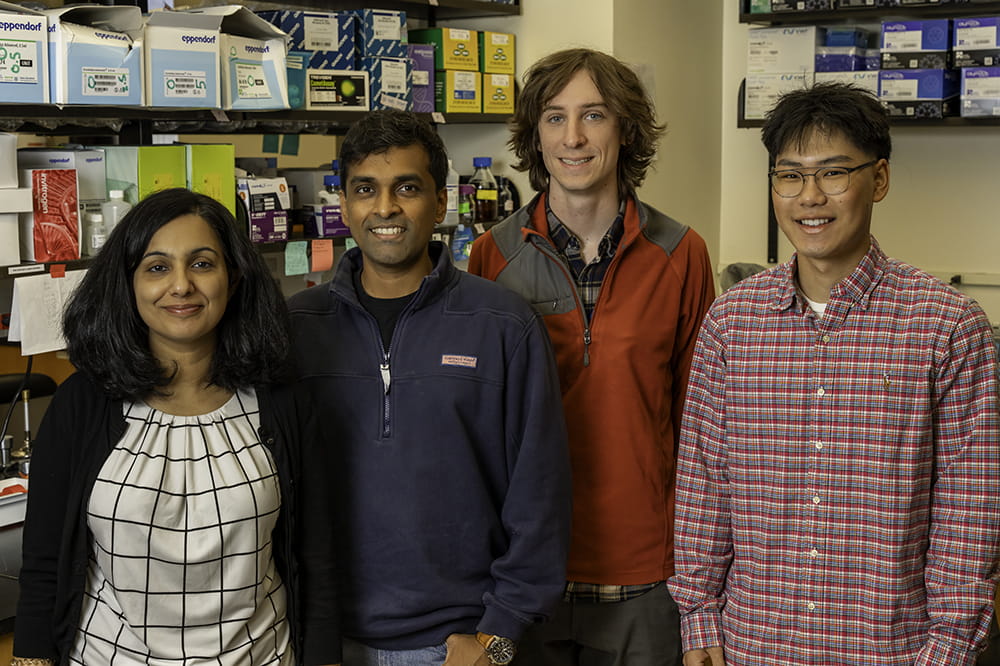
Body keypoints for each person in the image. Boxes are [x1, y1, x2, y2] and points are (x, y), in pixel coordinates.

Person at [668, 82, 1000, 665]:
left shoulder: (947, 324)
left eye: (834, 173)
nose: (809, 197)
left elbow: (969, 509)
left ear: (879, 180)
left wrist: (948, 647)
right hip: (752, 645)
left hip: (894, 650)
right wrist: (699, 621)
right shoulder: (733, 321)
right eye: (789, 175)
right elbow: (704, 482)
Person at [285, 110, 572, 666]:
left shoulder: (503, 325)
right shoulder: (295, 329)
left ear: (441, 204)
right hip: (324, 640)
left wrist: (499, 637)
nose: (385, 208)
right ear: (343, 204)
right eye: (365, 189)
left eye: (407, 188)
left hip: (458, 645)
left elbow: (541, 498)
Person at [13, 188, 340, 666]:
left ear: (234, 276)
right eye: (157, 267)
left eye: (203, 263)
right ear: (127, 284)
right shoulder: (82, 404)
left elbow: (317, 559)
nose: (182, 285)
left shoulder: (283, 402)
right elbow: (43, 562)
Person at [468, 48, 717, 665]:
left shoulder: (681, 254)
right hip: (521, 577)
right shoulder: (489, 258)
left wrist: (702, 583)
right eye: (554, 118)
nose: (573, 137)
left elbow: (703, 431)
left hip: (644, 574)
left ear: (625, 130)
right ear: (534, 135)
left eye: (594, 116)